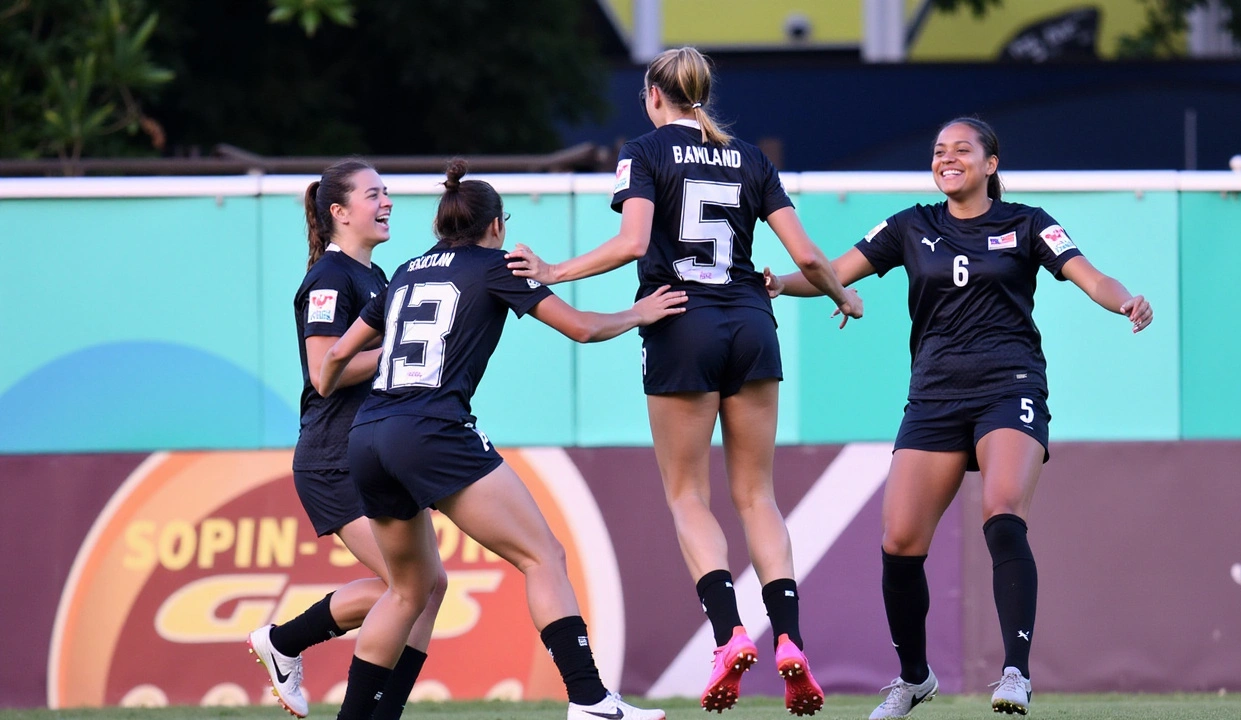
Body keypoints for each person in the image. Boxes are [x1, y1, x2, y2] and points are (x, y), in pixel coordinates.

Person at [504, 46, 860, 716]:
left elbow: (634, 243)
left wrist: (553, 271)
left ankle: (728, 633)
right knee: (758, 496)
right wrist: (842, 295)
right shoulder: (752, 158)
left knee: (687, 496)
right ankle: (788, 638)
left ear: (653, 95)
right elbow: (807, 255)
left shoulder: (643, 150)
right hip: (752, 324)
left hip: (680, 324)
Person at [765, 117, 1153, 718]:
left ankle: (1015, 674)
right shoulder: (910, 226)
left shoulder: (1028, 223)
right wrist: (775, 283)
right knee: (899, 543)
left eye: (962, 150)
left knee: (1002, 513)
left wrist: (1123, 299)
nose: (947, 159)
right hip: (934, 396)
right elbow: (832, 272)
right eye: (939, 151)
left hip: (1010, 385)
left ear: (990, 163)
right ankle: (914, 679)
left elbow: (1090, 275)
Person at [317, 159, 681, 720]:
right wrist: (640, 312)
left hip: (367, 437)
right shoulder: (495, 266)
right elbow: (581, 329)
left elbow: (337, 356)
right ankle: (588, 700)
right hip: (431, 431)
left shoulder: (408, 271)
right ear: (496, 226)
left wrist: (326, 377)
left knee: (407, 591)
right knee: (544, 556)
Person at [248, 159, 444, 720]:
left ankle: (372, 707)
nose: (386, 203)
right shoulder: (330, 278)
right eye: (373, 194)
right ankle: (285, 642)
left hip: (371, 454)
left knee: (428, 586)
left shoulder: (376, 277)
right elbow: (321, 371)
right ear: (338, 212)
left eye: (387, 193)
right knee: (411, 584)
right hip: (333, 459)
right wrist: (401, 351)